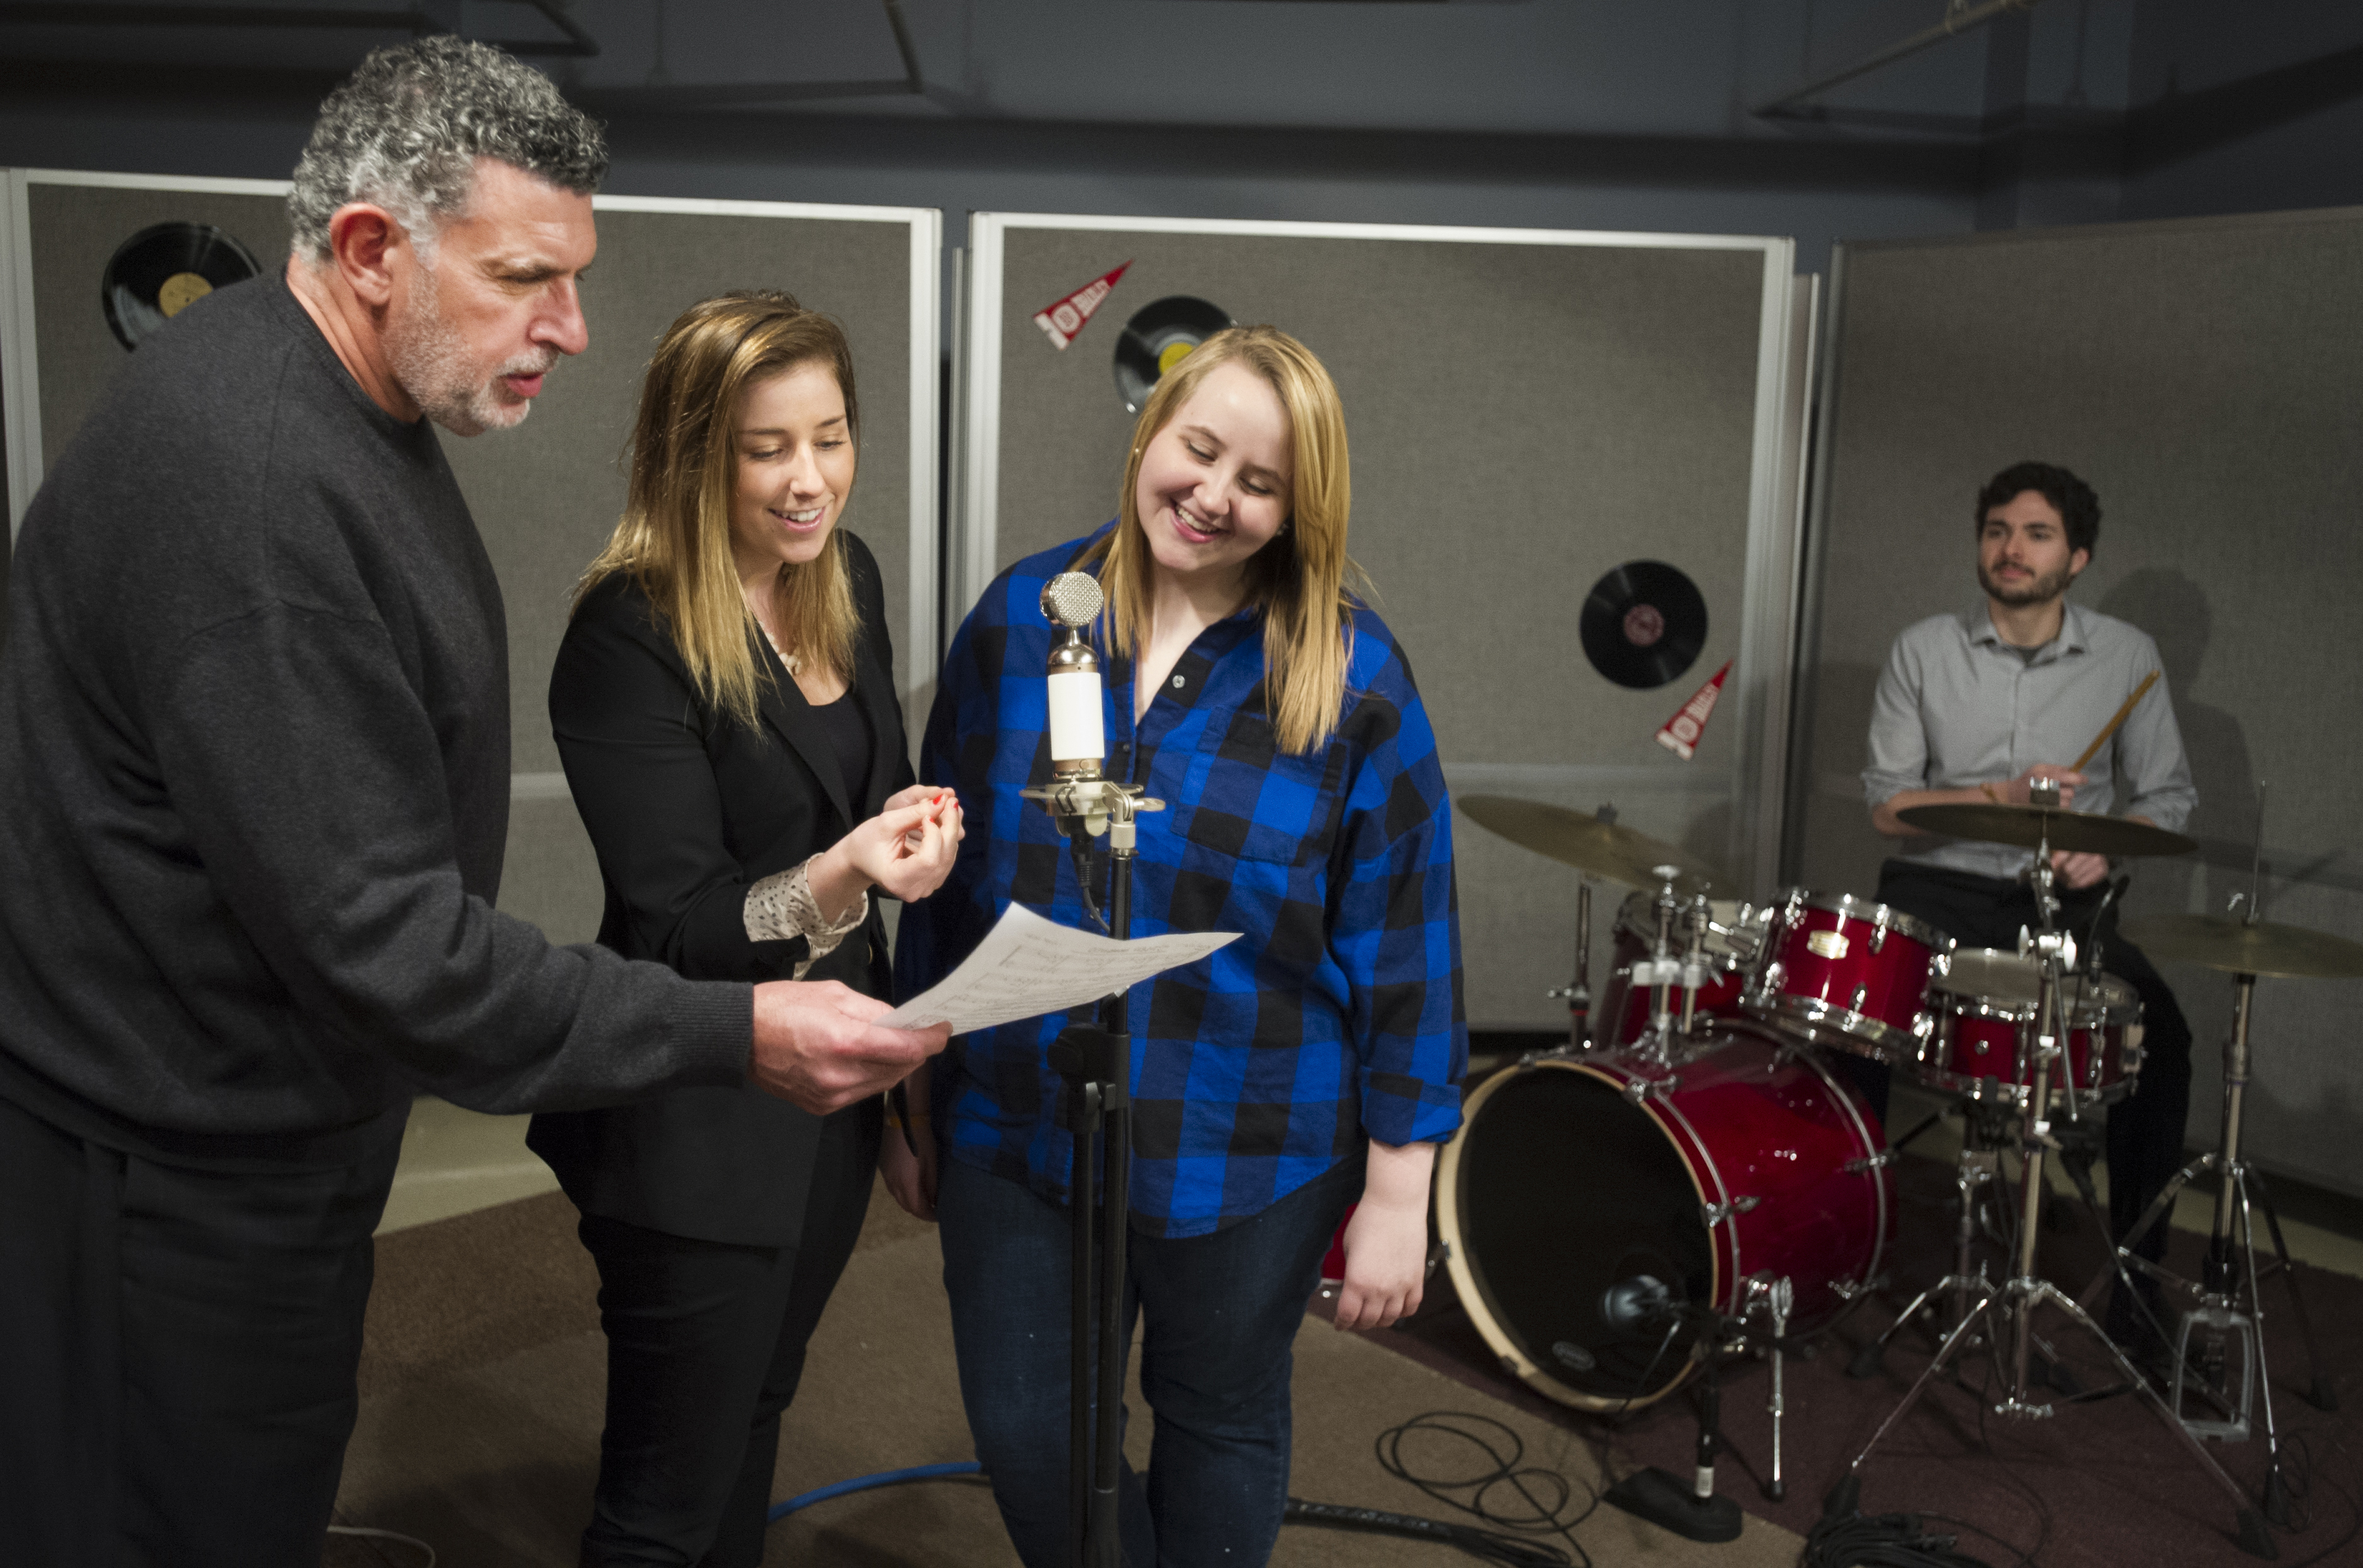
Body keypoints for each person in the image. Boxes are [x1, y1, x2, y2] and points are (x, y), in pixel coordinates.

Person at [0, 43, 945, 1567]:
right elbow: (389, 940)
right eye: (524, 279)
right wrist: (738, 1029)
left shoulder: (327, 401)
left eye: (573, 277)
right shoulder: (252, 483)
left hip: (260, 1137)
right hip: (169, 1186)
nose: (571, 330)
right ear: (372, 252)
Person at [893, 327, 1468, 1567]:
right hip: (1018, 1113)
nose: (1213, 496)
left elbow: (1409, 946)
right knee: (1030, 1428)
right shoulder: (1024, 618)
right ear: (1147, 434)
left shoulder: (1349, 676)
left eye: (1258, 481)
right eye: (1197, 450)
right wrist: (911, 1087)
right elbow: (946, 880)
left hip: (1250, 1131)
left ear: (1298, 504)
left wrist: (1395, 1194)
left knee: (1216, 1416)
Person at [527, 291, 963, 1568]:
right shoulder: (630, 629)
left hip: (827, 1101)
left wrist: (905, 831)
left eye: (829, 437)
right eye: (766, 446)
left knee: (754, 1416)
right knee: (662, 1508)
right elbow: (675, 928)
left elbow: (851, 794)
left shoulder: (847, 577)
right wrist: (840, 874)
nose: (807, 479)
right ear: (692, 452)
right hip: (694, 1117)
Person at [1862, 460, 2196, 1347]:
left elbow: (2167, 801)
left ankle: (2133, 1288)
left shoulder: (2127, 658)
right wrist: (1998, 799)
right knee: (1851, 1020)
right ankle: (1842, 1250)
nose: (2011, 550)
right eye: (1997, 530)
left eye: (2036, 533)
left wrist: (2103, 842)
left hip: (2060, 906)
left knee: (2160, 1039)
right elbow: (1888, 807)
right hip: (1936, 888)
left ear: (2076, 556)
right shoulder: (1922, 648)